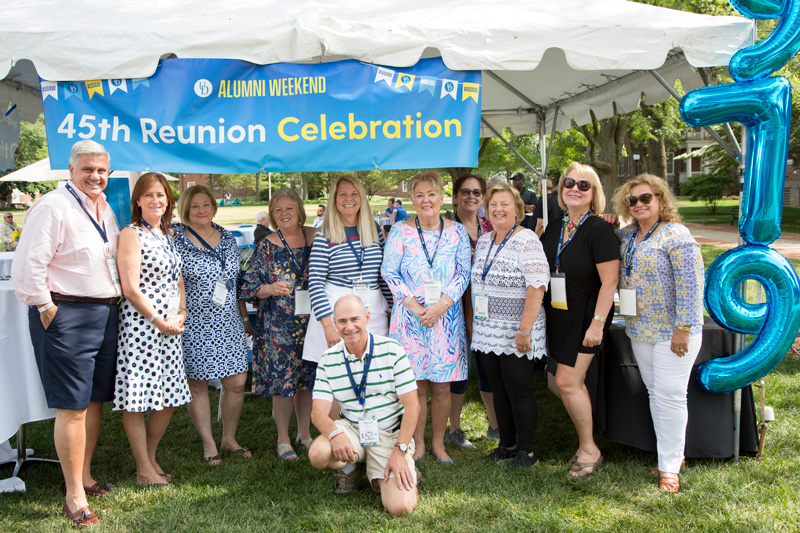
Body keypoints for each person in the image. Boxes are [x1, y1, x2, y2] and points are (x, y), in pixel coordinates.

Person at [11, 140, 120, 528]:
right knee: (72, 406)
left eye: (102, 170)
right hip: (67, 311)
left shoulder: (103, 207)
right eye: (88, 169)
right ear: (71, 171)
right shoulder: (53, 205)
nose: (95, 176)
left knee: (92, 401)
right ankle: (73, 496)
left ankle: (85, 477)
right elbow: (28, 265)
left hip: (105, 312)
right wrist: (45, 307)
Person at [612, 174, 704, 494]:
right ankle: (671, 457)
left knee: (671, 396)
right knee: (656, 395)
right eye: (632, 200)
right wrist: (606, 221)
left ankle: (669, 470)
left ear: (661, 201)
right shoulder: (628, 236)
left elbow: (692, 286)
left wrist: (683, 330)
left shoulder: (676, 234)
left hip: (673, 332)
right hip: (639, 329)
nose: (638, 204)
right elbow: (606, 237)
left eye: (645, 198)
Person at [381, 171, 471, 464]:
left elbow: (463, 273)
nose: (426, 200)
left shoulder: (457, 232)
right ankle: (417, 443)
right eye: (419, 195)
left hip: (445, 319)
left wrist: (440, 306)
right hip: (410, 319)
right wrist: (414, 306)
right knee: (415, 384)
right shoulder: (399, 231)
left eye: (431, 194)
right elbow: (389, 272)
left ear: (442, 197)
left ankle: (438, 443)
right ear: (412, 199)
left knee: (443, 386)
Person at [540, 162, 619, 478]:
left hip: (588, 316)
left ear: (594, 193)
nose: (574, 188)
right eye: (569, 183)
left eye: (583, 185)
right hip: (559, 315)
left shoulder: (599, 229)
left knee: (566, 382)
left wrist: (598, 323)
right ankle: (588, 435)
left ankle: (590, 449)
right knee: (558, 381)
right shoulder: (555, 227)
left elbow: (610, 283)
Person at [308, 295, 419, 515]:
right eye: (342, 321)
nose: (349, 327)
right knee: (318, 453)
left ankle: (399, 469)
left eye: (355, 319)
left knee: (400, 507)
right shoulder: (328, 359)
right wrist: (334, 435)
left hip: (389, 434)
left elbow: (413, 406)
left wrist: (399, 451)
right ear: (334, 323)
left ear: (367, 317)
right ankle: (352, 467)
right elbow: (317, 414)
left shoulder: (392, 350)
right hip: (352, 430)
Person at [114, 172, 191, 487]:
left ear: (168, 200)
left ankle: (148, 458)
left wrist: (182, 311)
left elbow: (178, 279)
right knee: (138, 396)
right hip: (142, 328)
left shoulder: (167, 233)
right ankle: (144, 468)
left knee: (170, 395)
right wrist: (158, 321)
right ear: (138, 200)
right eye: (149, 195)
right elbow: (131, 289)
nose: (156, 201)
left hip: (171, 326)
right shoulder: (131, 234)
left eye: (161, 195)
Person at [173, 185, 254, 465]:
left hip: (227, 320)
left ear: (214, 207)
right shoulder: (176, 238)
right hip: (194, 320)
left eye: (206, 204)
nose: (201, 210)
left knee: (236, 381)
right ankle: (209, 444)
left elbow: (236, 281)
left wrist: (244, 318)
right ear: (186, 208)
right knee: (198, 383)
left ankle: (229, 438)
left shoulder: (228, 238)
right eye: (195, 206)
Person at [471, 183, 549, 468]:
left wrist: (524, 330)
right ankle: (507, 444)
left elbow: (537, 286)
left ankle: (527, 452)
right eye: (493, 204)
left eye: (505, 204)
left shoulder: (527, 239)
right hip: (488, 331)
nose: (498, 209)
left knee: (519, 390)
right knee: (498, 389)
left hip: (518, 330)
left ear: (517, 210)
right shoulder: (484, 241)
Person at [240, 188, 317, 460]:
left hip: (314, 323)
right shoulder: (267, 245)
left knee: (308, 380)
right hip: (279, 326)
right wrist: (270, 289)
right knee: (284, 383)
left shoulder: (315, 237)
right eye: (278, 210)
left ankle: (304, 434)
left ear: (299, 210)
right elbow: (248, 287)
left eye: (289, 209)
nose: (284, 214)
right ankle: (283, 439)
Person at [304, 176, 392, 364]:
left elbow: (382, 275)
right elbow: (315, 282)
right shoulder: (325, 234)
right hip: (337, 310)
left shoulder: (374, 229)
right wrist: (328, 326)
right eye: (342, 194)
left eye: (354, 194)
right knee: (339, 373)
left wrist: (392, 308)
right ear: (334, 200)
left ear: (361, 198)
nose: (349, 199)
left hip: (372, 307)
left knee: (376, 367)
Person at [445, 174, 499, 448]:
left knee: (487, 362)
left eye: (477, 192)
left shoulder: (489, 225)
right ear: (455, 196)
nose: (471, 197)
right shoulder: (446, 228)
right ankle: (453, 428)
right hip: (454, 306)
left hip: (486, 305)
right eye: (465, 192)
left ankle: (494, 425)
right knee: (459, 366)